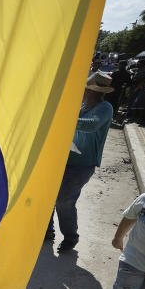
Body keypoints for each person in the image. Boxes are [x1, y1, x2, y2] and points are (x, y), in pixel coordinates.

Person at [46, 71, 114, 254]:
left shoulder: (105, 108)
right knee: (49, 195)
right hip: (62, 159)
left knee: (64, 200)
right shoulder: (82, 105)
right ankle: (47, 231)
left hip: (82, 164)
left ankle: (70, 238)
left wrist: (63, 119)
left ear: (89, 90)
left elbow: (91, 125)